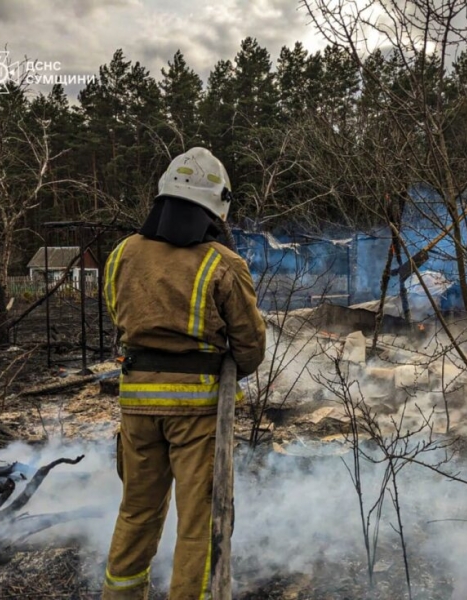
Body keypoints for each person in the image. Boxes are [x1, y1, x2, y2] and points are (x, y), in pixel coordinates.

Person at [101, 147, 266, 599]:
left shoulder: (122, 255)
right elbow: (251, 348)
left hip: (135, 408)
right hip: (197, 416)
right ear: (217, 207)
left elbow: (121, 320)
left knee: (136, 514)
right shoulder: (221, 263)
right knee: (199, 525)